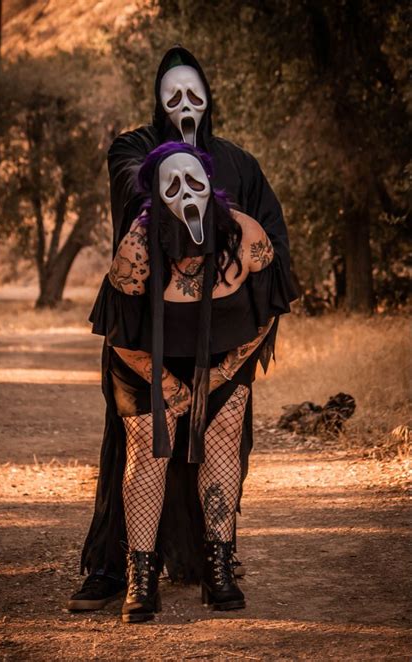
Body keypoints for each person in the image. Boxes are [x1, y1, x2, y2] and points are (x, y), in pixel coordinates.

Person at [69, 45, 298, 612]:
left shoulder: (239, 164)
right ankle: (116, 567)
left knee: (220, 447)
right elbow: (132, 188)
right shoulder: (134, 151)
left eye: (195, 95)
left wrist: (226, 365)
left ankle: (213, 561)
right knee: (140, 452)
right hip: (148, 341)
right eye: (173, 97)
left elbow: (272, 262)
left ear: (209, 99)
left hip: (223, 342)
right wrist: (170, 175)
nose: (185, 105)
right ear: (157, 101)